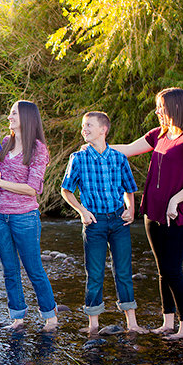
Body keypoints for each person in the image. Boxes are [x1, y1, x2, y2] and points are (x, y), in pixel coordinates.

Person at [110, 88, 183, 340]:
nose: (157, 112)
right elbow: (129, 149)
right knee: (162, 270)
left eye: (160, 107)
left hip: (176, 216)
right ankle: (167, 323)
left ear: (174, 107)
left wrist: (176, 199)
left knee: (173, 270)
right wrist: (97, 145)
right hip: (152, 214)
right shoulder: (159, 135)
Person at [60, 111, 147, 335]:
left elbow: (129, 189)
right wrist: (81, 211)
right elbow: (66, 190)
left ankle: (132, 323)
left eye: (88, 125)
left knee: (124, 271)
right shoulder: (78, 158)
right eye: (83, 126)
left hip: (118, 221)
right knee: (95, 272)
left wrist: (131, 209)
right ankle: (94, 325)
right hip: (94, 222)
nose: (84, 129)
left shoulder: (118, 158)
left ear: (103, 130)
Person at [0, 100, 58, 332]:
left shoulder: (38, 149)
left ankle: (50, 317)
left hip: (24, 216)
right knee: (10, 269)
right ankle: (17, 317)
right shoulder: (6, 142)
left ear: (26, 118)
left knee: (33, 267)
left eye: (14, 113)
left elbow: (32, 188)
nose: (9, 117)